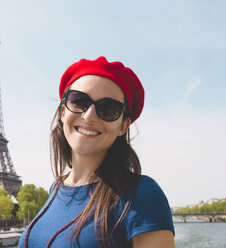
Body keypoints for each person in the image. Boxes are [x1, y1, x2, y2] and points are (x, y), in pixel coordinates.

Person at [18, 56, 175, 248]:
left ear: (123, 126)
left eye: (108, 109)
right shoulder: (56, 188)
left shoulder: (141, 195)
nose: (89, 116)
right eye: (79, 101)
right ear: (62, 112)